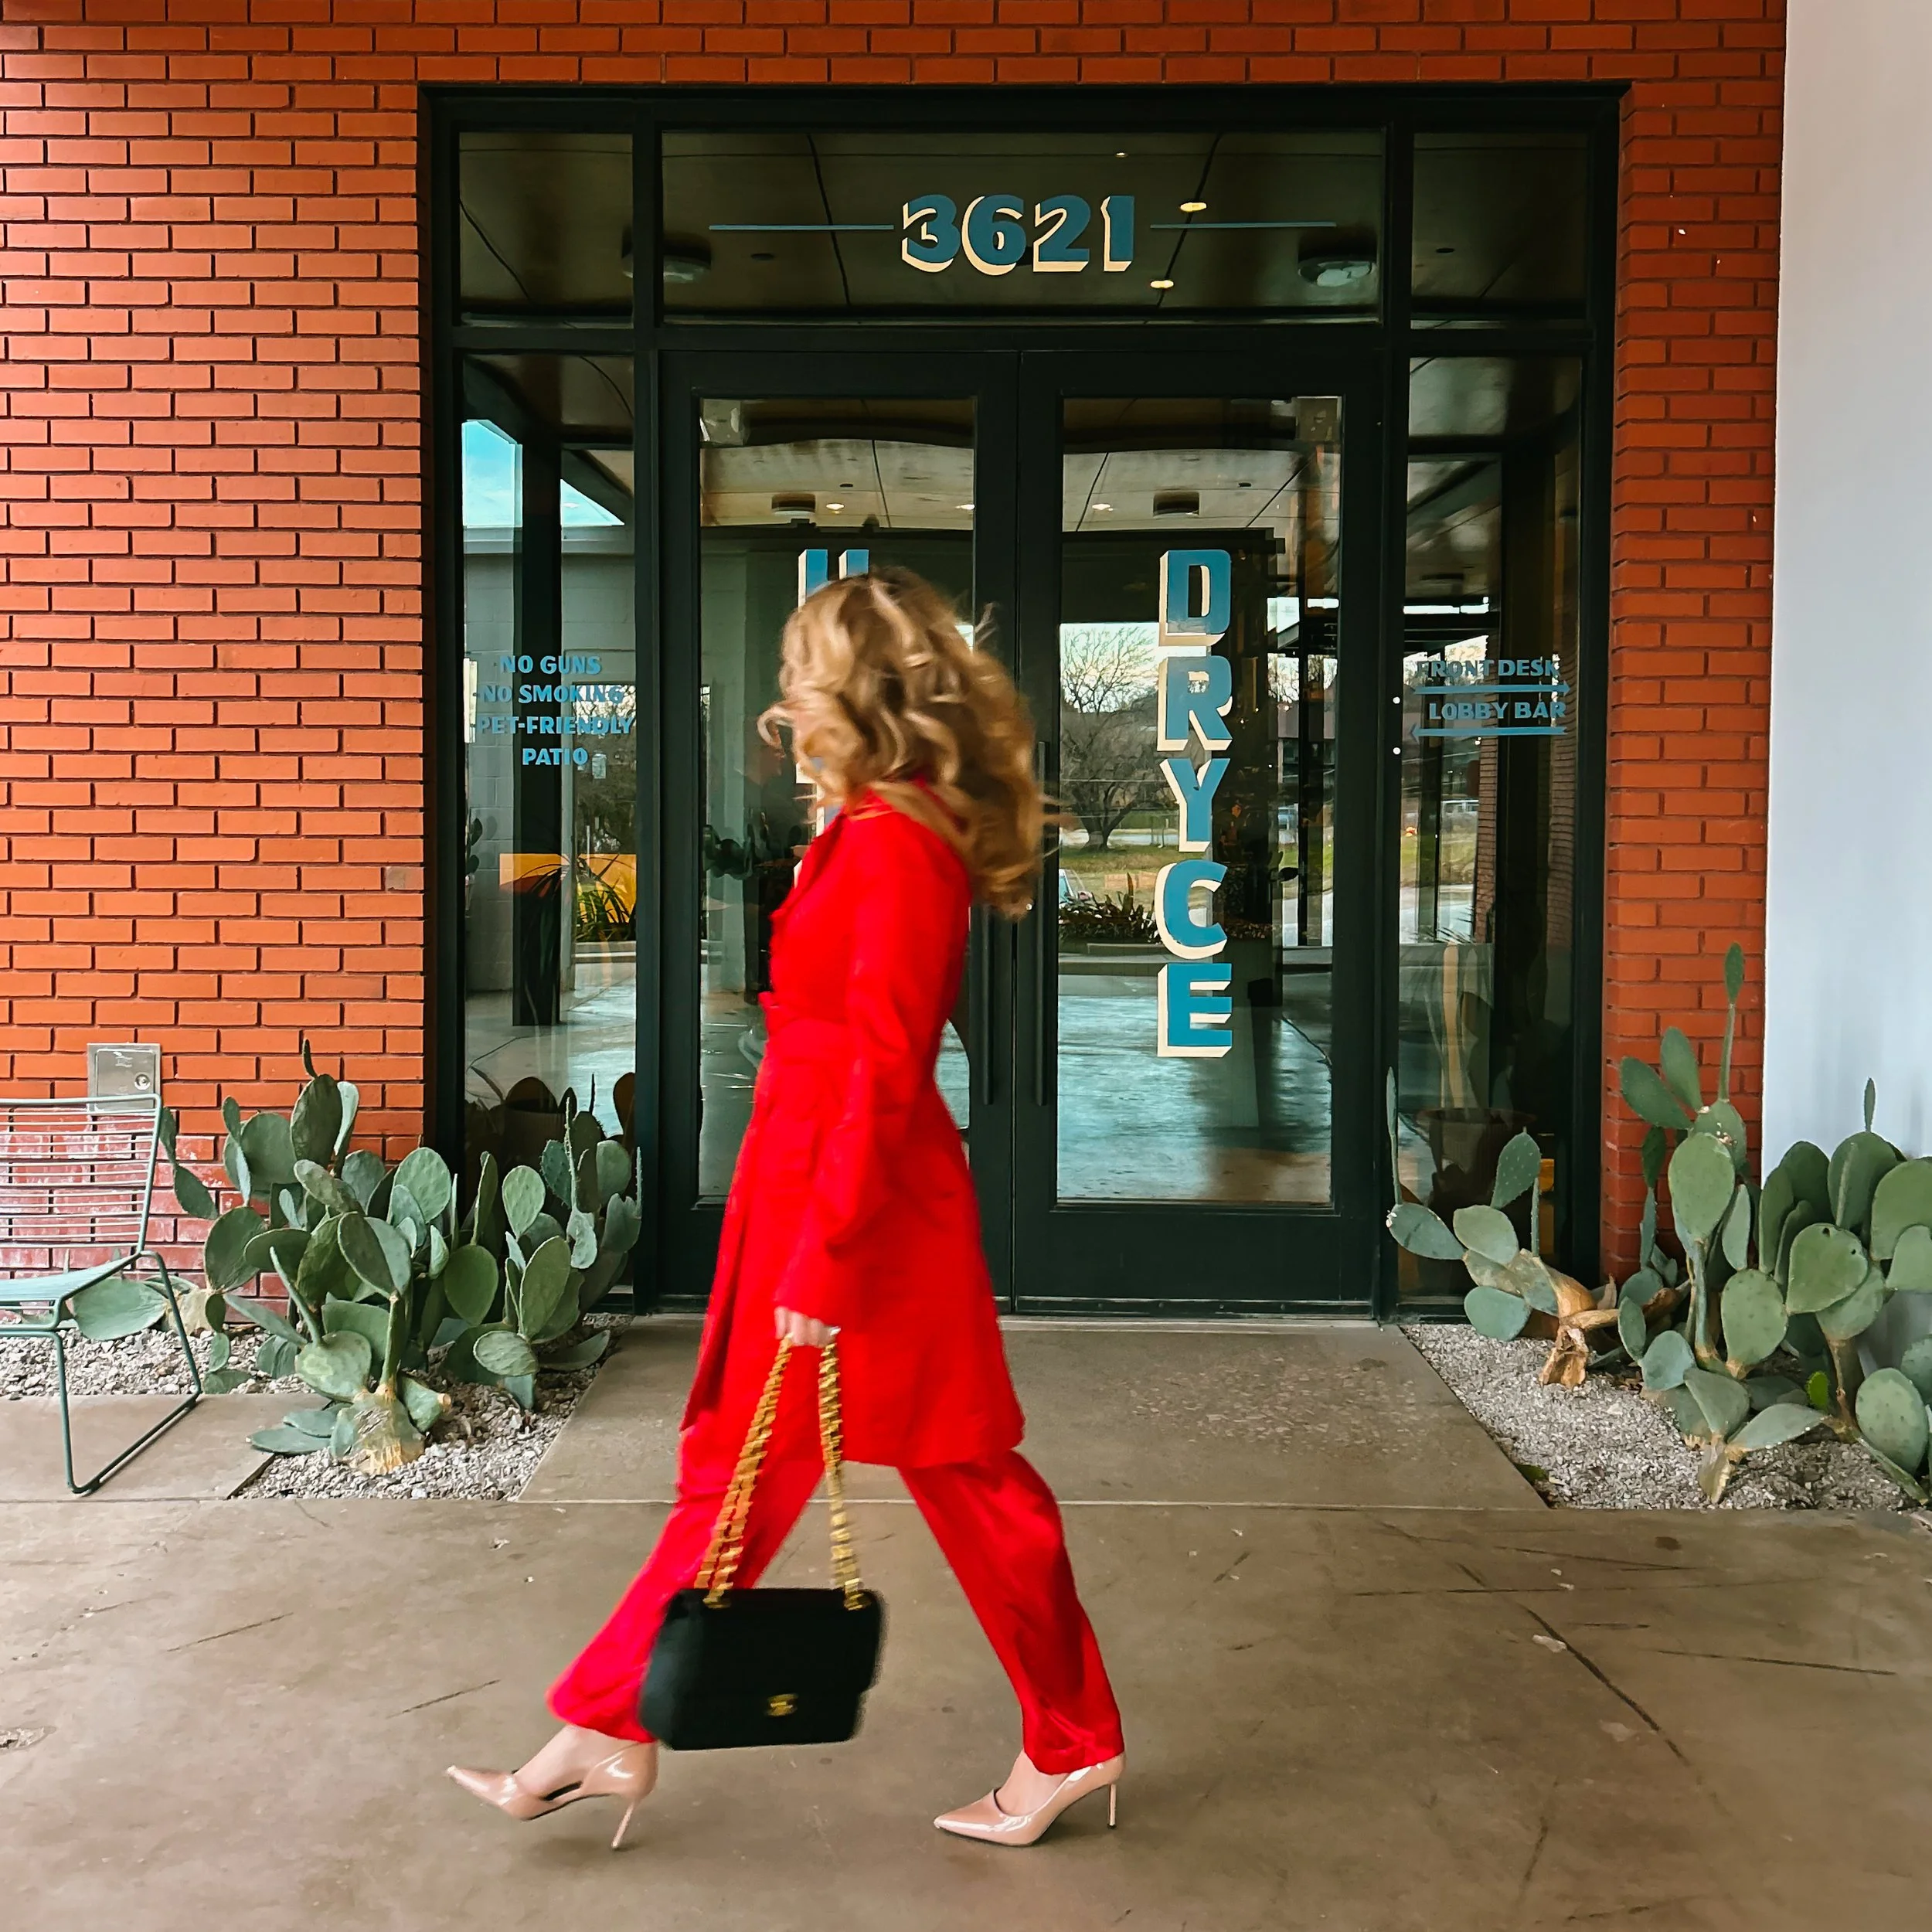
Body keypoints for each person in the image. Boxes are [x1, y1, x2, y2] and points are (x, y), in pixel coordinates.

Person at [448, 569, 1125, 1851]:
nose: (784, 703)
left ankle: (605, 1732)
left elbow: (878, 1065)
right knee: (876, 1476)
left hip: (851, 1211)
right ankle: (615, 1729)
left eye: (798, 675)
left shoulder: (888, 842)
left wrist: (818, 1259)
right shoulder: (881, 826)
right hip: (835, 1193)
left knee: (808, 1473)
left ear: (847, 689)